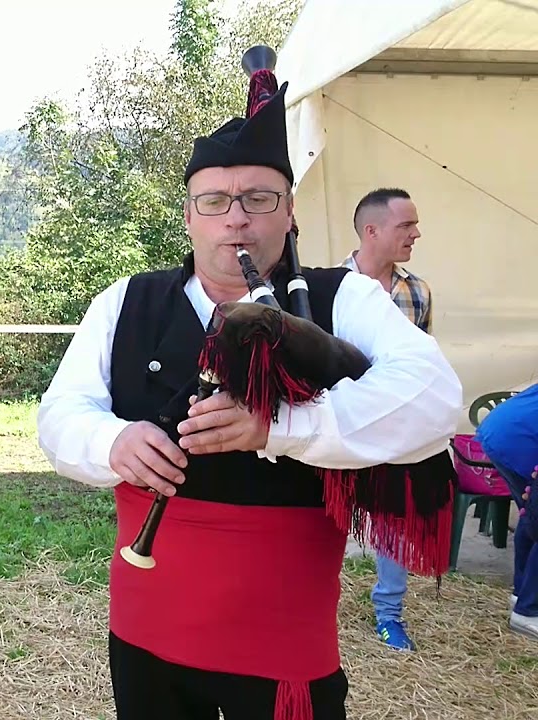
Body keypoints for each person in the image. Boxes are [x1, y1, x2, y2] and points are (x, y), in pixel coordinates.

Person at [36, 78, 462, 720]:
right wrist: (112, 441)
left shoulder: (342, 297)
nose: (236, 217)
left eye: (259, 199)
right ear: (188, 217)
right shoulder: (126, 301)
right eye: (214, 201)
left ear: (289, 213)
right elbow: (59, 414)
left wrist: (280, 427)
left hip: (281, 640)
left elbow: (434, 396)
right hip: (146, 628)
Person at [341, 187, 435, 652]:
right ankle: (310, 598)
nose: (416, 234)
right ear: (371, 230)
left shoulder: (417, 291)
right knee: (321, 516)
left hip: (393, 426)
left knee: (394, 521)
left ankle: (389, 614)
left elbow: (424, 365)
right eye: (406, 225)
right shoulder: (325, 287)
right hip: (337, 425)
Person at [475, 382, 538, 641]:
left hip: (502, 428)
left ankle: (521, 593)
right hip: (519, 439)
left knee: (531, 513)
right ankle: (528, 610)